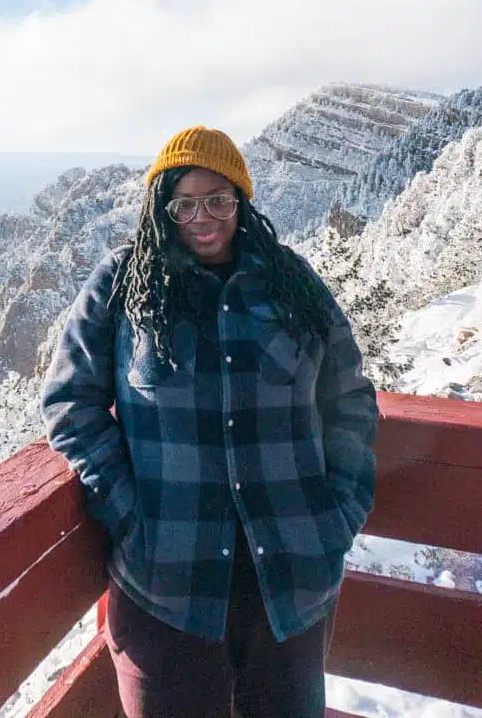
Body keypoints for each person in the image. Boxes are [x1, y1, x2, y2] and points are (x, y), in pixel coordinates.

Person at [41, 126, 378, 718]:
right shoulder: (123, 288)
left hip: (290, 584)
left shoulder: (291, 284)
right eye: (185, 203)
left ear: (241, 201)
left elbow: (349, 398)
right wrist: (126, 512)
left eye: (219, 199)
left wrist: (338, 516)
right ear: (162, 208)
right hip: (167, 583)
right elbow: (71, 403)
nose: (203, 216)